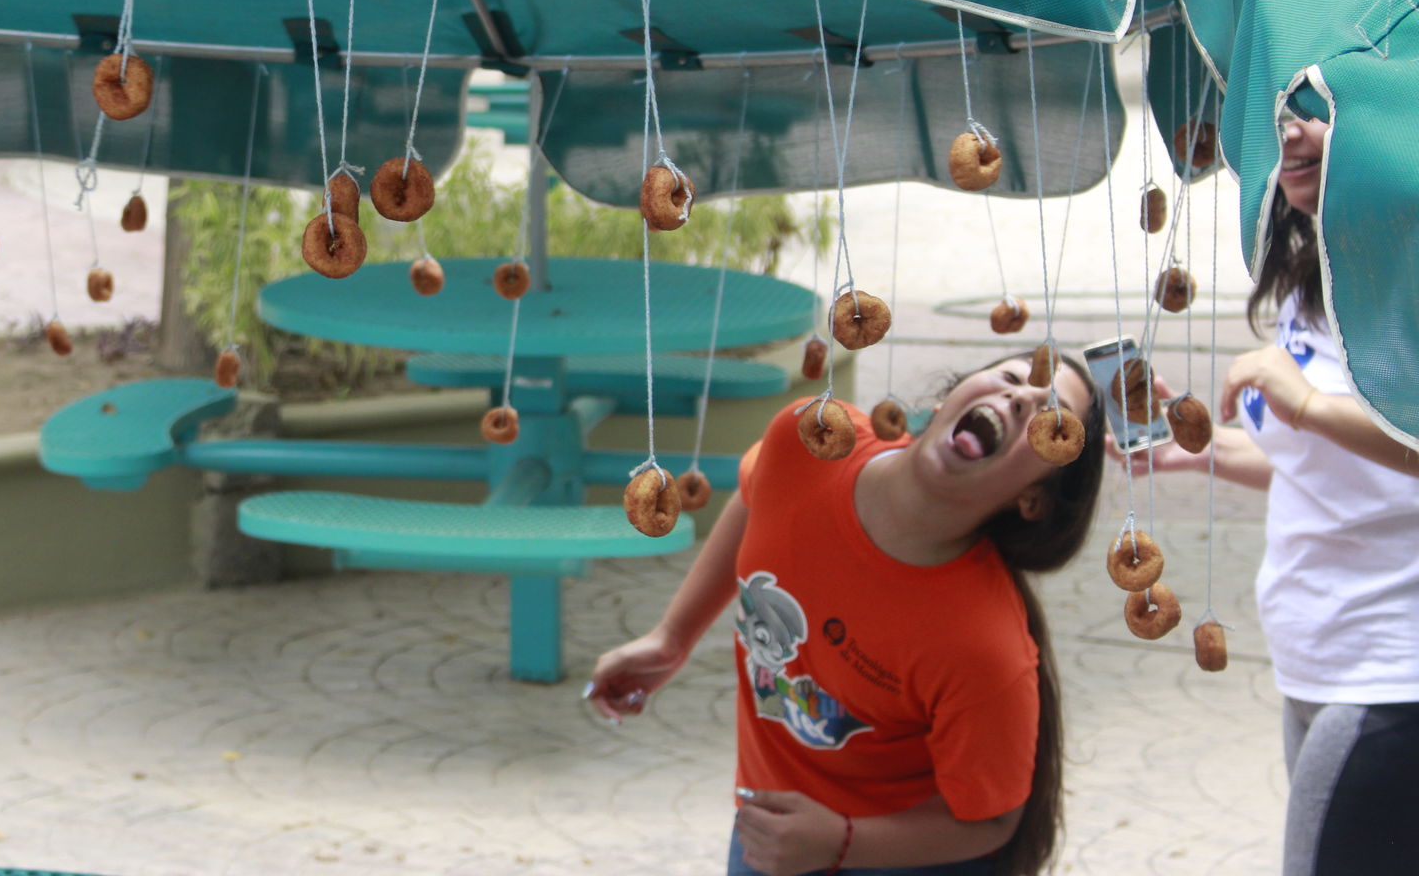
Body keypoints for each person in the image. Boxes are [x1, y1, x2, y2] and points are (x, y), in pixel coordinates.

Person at [588, 352, 1106, 876]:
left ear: (1032, 499)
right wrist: (674, 636)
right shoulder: (810, 440)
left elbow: (992, 822)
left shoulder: (982, 645)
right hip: (772, 826)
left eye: (1050, 418)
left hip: (908, 855)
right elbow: (759, 492)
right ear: (945, 400)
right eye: (1012, 378)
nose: (1020, 397)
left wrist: (841, 842)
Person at [1121, 111, 1419, 876]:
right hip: (1315, 659)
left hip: (1393, 677)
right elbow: (1323, 466)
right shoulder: (1318, 270)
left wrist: (1308, 404)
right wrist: (1199, 454)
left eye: (1317, 110)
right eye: (1278, 106)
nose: (1289, 131)